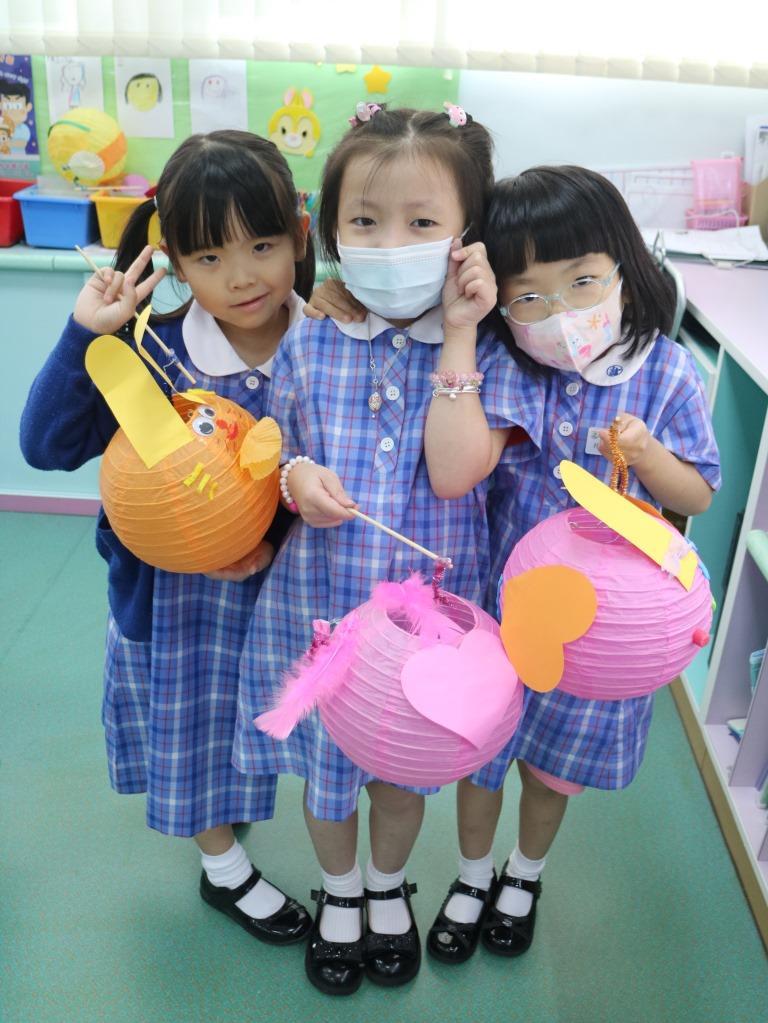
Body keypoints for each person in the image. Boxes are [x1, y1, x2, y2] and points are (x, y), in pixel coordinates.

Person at [232, 103, 541, 995]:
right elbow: (277, 448)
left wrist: (459, 329)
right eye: (364, 221)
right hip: (321, 604)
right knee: (329, 771)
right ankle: (339, 890)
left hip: (428, 623)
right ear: (330, 229)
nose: (389, 243)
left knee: (401, 770)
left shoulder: (491, 348)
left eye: (421, 222)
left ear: (468, 235)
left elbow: (453, 474)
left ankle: (384, 884)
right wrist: (297, 478)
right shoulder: (313, 332)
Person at [20, 130, 315, 947]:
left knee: (256, 725)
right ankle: (223, 868)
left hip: (283, 596)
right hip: (173, 602)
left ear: (299, 235)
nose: (241, 277)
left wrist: (270, 540)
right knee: (188, 732)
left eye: (261, 246)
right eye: (210, 257)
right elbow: (46, 446)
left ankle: (231, 818)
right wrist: (87, 335)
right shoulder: (153, 350)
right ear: (175, 261)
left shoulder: (325, 346)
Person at [423, 165, 721, 963]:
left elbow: (697, 491)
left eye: (582, 281)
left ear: (624, 265)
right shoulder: (508, 363)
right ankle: (472, 874)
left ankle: (524, 874)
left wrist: (648, 456)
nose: (560, 314)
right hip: (505, 614)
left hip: (604, 636)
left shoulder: (665, 370)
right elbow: (465, 461)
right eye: (530, 297)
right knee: (483, 754)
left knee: (554, 770)